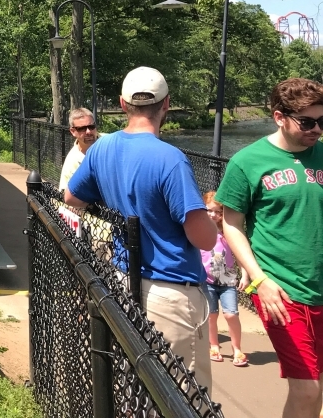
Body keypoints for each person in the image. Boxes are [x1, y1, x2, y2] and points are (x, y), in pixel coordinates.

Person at [66, 66, 217, 392]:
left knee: (136, 389)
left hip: (124, 281)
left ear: (122, 104)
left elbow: (71, 196)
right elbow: (203, 239)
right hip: (172, 290)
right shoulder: (171, 159)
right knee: (182, 395)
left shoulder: (101, 149)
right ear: (166, 104)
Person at [216, 78, 323, 418]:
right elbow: (231, 223)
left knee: (317, 386)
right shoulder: (248, 162)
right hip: (281, 289)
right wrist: (259, 279)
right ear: (279, 117)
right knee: (307, 388)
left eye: (322, 120)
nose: (317, 129)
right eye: (307, 122)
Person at [201, 191, 248, 367]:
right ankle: (214, 345)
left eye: (218, 212)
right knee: (212, 315)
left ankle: (237, 349)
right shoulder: (202, 230)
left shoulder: (228, 232)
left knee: (231, 315)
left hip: (228, 282)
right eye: (209, 210)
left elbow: (240, 253)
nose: (213, 215)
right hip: (207, 280)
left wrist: (245, 274)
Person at [58, 107, 99, 193]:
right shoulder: (71, 162)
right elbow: (65, 194)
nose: (88, 132)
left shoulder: (111, 142)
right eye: (82, 129)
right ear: (73, 131)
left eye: (91, 126)